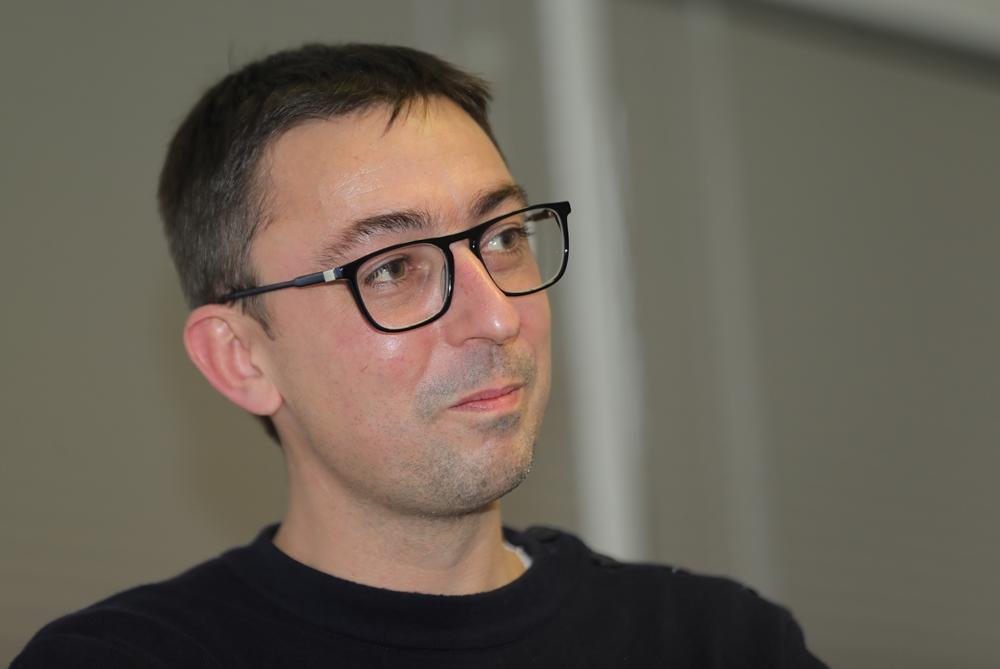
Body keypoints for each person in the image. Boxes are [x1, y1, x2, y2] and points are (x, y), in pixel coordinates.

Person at [13, 43, 827, 668]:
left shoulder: (720, 645)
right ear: (241, 358)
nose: (496, 316)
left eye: (503, 238)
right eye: (392, 269)